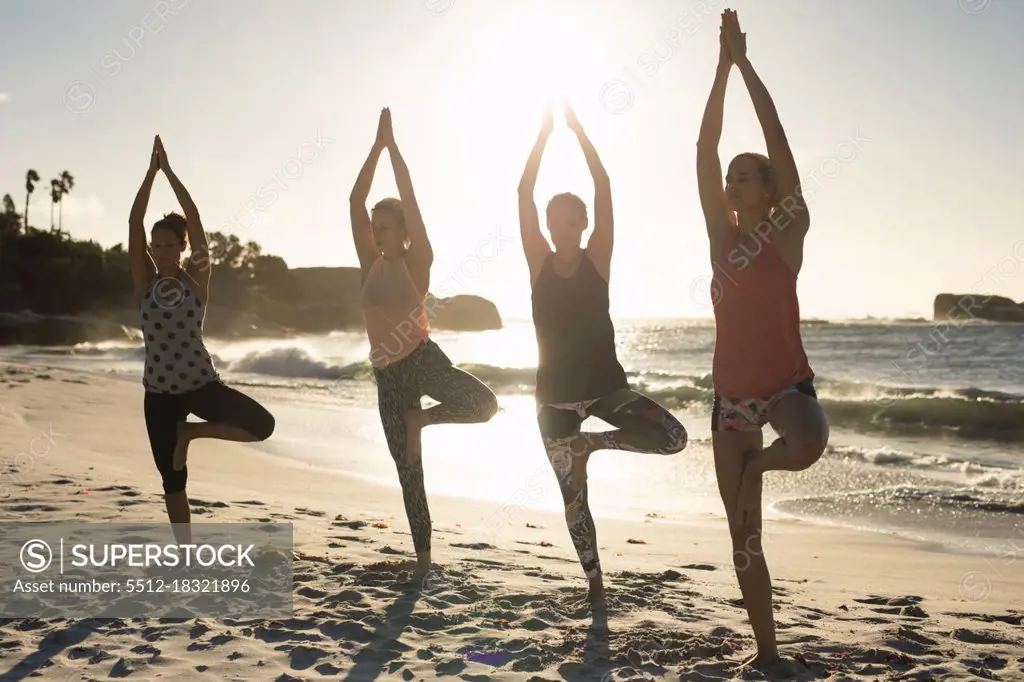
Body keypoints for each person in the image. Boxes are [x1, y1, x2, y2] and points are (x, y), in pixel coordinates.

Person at [696, 9, 830, 669]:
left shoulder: (786, 232)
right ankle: (767, 654)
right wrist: (718, 69)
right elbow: (704, 151)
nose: (731, 182)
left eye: (743, 176)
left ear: (770, 189)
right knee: (743, 536)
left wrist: (747, 65)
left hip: (783, 388)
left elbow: (777, 142)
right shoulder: (722, 239)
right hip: (730, 402)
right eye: (731, 180)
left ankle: (760, 464)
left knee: (807, 443)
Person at [518, 103, 689, 607]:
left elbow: (605, 186)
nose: (565, 227)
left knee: (673, 436)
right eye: (557, 221)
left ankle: (592, 445)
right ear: (549, 226)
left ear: (584, 223)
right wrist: (543, 136)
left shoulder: (598, 259)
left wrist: (581, 134)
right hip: (552, 402)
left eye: (574, 220)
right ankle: (594, 582)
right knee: (573, 500)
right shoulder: (538, 261)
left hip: (605, 392)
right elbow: (522, 192)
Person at [350, 108, 498, 580]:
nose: (376, 230)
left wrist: (395, 151)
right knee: (407, 470)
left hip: (421, 360)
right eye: (374, 226)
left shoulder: (419, 264)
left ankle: (424, 419)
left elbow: (410, 199)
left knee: (484, 404)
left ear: (405, 232)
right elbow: (354, 200)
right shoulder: (368, 263)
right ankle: (425, 562)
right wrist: (374, 149)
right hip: (387, 377)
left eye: (385, 225)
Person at [129, 135, 275, 544]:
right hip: (158, 394)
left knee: (262, 425)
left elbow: (194, 218)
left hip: (201, 387)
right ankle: (185, 552)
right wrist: (148, 175)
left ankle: (191, 433)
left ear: (182, 246)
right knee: (172, 481)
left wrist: (169, 173)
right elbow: (132, 223)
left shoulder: (197, 282)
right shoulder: (144, 285)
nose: (160, 250)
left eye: (168, 244)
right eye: (155, 245)